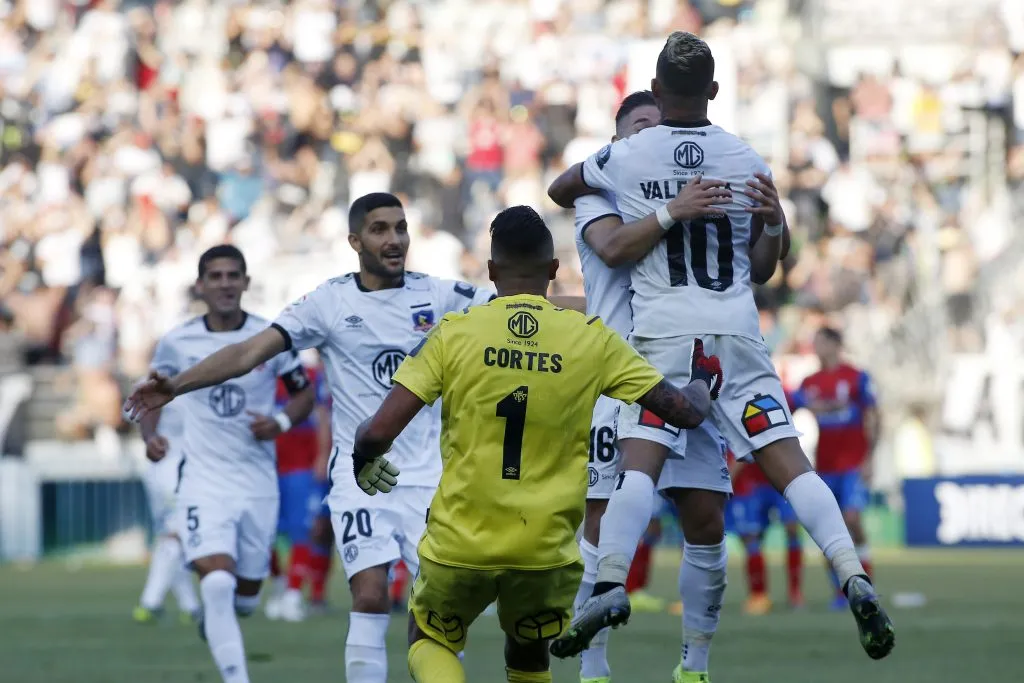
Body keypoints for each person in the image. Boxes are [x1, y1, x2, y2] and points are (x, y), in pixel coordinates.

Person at [547, 32, 894, 662]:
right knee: (788, 461)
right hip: (736, 338)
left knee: (640, 465)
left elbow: (560, 187)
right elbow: (764, 268)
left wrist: (644, 184)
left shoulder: (625, 158)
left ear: (656, 89)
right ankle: (852, 574)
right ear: (714, 90)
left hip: (664, 342)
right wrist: (774, 218)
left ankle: (608, 583)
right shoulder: (744, 158)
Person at [126, 192, 497, 683]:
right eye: (380, 229)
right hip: (361, 476)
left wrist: (604, 317)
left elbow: (526, 310)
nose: (394, 240)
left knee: (436, 605)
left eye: (401, 228)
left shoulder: (441, 295)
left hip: (430, 477)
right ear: (355, 241)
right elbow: (247, 353)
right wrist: (174, 386)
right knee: (368, 594)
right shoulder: (327, 302)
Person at [345, 205, 724, 683]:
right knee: (528, 659)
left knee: (430, 637)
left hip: (461, 539)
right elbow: (685, 412)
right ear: (552, 271)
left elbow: (378, 431)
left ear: (491, 271)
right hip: (546, 550)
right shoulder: (591, 338)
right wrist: (702, 382)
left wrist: (364, 456)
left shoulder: (456, 333)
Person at [569, 90, 736, 683]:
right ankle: (593, 669)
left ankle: (694, 667)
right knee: (603, 520)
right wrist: (674, 211)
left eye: (661, 130)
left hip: (687, 372)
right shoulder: (598, 194)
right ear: (617, 143)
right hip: (618, 377)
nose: (653, 141)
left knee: (706, 519)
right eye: (641, 129)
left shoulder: (690, 195)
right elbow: (614, 252)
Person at [128, 245, 316, 683]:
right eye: (216, 276)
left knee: (244, 597)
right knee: (216, 583)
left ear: (247, 283)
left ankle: (220, 619)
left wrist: (282, 420)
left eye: (234, 275)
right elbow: (154, 392)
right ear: (200, 285)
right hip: (202, 481)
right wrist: (150, 435)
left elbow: (304, 393)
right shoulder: (178, 341)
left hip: (257, 483)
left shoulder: (270, 338)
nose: (226, 283)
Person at [790, 327, 879, 609]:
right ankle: (841, 592)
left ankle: (866, 585)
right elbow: (787, 409)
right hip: (825, 466)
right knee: (828, 528)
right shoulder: (809, 383)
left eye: (821, 342)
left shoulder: (857, 377)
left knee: (852, 520)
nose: (816, 347)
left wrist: (870, 458)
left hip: (852, 464)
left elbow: (874, 416)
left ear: (836, 344)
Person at [265, 361, 332, 622]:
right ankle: (281, 583)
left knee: (303, 531)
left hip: (302, 468)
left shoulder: (309, 376)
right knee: (263, 534)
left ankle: (294, 594)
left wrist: (323, 455)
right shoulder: (262, 378)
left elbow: (322, 416)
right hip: (268, 468)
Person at [133, 398, 201, 625]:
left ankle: (189, 606)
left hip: (159, 468)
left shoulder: (153, 381)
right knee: (174, 538)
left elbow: (132, 414)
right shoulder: (192, 384)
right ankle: (150, 602)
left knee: (172, 539)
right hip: (174, 469)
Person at [728, 453, 804, 614]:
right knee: (751, 537)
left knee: (792, 529)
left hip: (781, 479)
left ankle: (795, 593)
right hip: (753, 483)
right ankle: (759, 595)